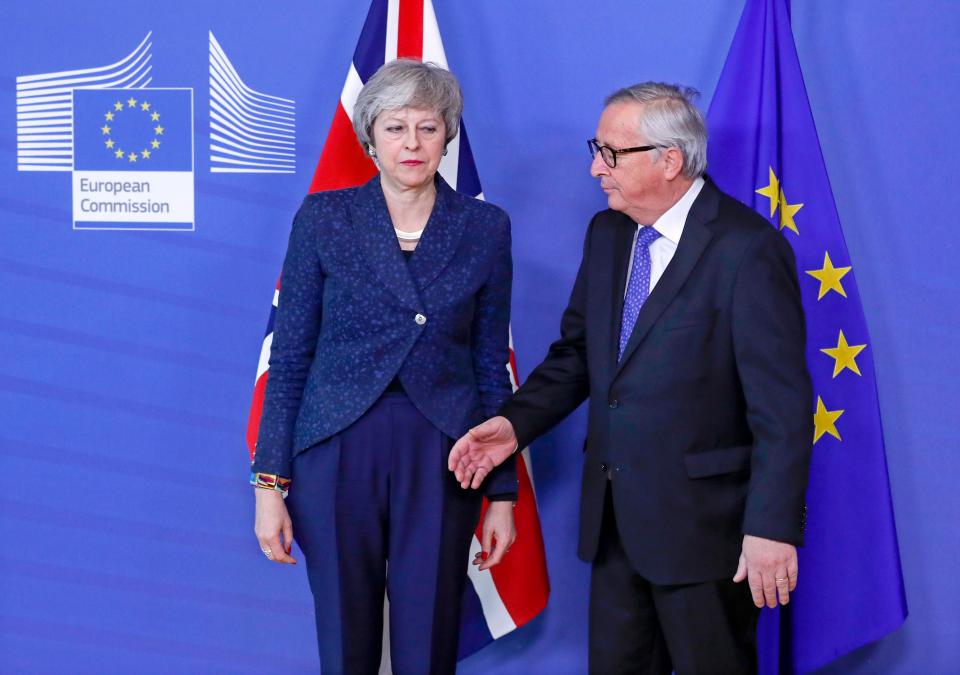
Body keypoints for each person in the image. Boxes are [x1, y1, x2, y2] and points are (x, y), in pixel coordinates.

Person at [448, 82, 812, 674]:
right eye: (597, 149)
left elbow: (783, 408)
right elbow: (577, 357)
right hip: (616, 527)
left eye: (611, 153)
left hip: (708, 536)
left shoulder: (747, 250)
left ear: (669, 160)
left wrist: (771, 529)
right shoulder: (609, 234)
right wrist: (513, 427)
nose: (595, 168)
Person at [251, 59, 518, 675]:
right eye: (396, 128)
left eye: (428, 128)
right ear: (371, 139)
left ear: (447, 136)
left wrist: (502, 494)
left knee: (429, 637)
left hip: (446, 451)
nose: (413, 144)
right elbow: (289, 359)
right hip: (337, 446)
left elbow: (488, 362)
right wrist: (270, 488)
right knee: (345, 639)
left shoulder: (485, 227)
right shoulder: (323, 218)